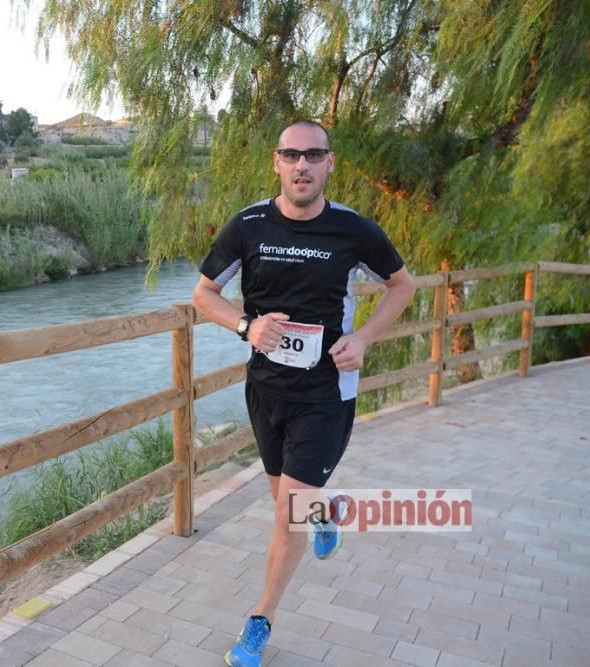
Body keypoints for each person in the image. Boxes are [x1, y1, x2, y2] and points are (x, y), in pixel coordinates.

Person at [192, 120, 416, 667]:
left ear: (329, 164)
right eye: (292, 155)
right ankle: (327, 511)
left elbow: (404, 285)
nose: (302, 166)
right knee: (287, 502)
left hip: (326, 393)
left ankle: (259, 622)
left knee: (286, 513)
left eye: (314, 156)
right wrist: (246, 327)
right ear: (276, 161)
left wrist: (362, 338)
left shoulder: (354, 229)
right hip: (265, 390)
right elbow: (204, 294)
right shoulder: (247, 225)